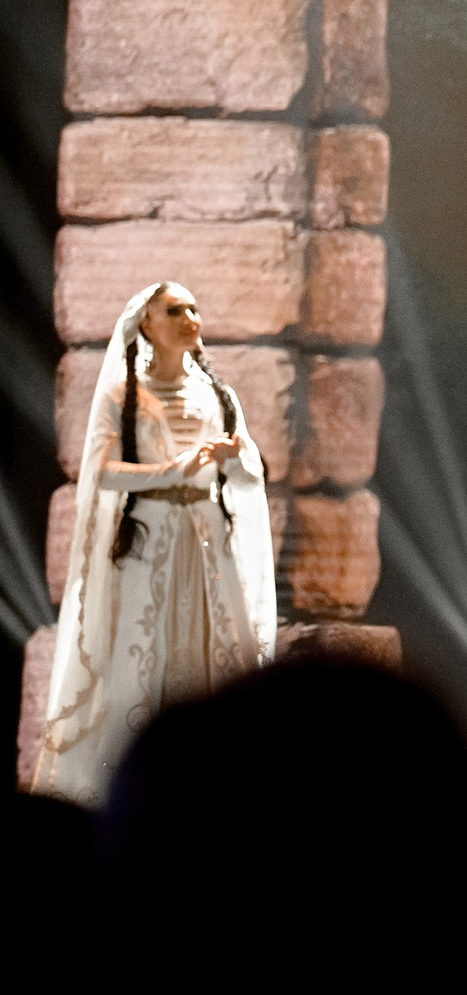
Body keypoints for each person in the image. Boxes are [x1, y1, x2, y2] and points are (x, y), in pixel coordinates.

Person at [34, 281, 274, 806]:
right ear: (146, 324)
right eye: (174, 310)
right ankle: (130, 792)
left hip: (209, 542)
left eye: (194, 308)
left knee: (214, 662)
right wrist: (171, 469)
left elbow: (252, 468)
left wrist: (233, 458)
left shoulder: (218, 395)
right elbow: (101, 474)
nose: (190, 318)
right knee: (138, 664)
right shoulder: (124, 396)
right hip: (150, 543)